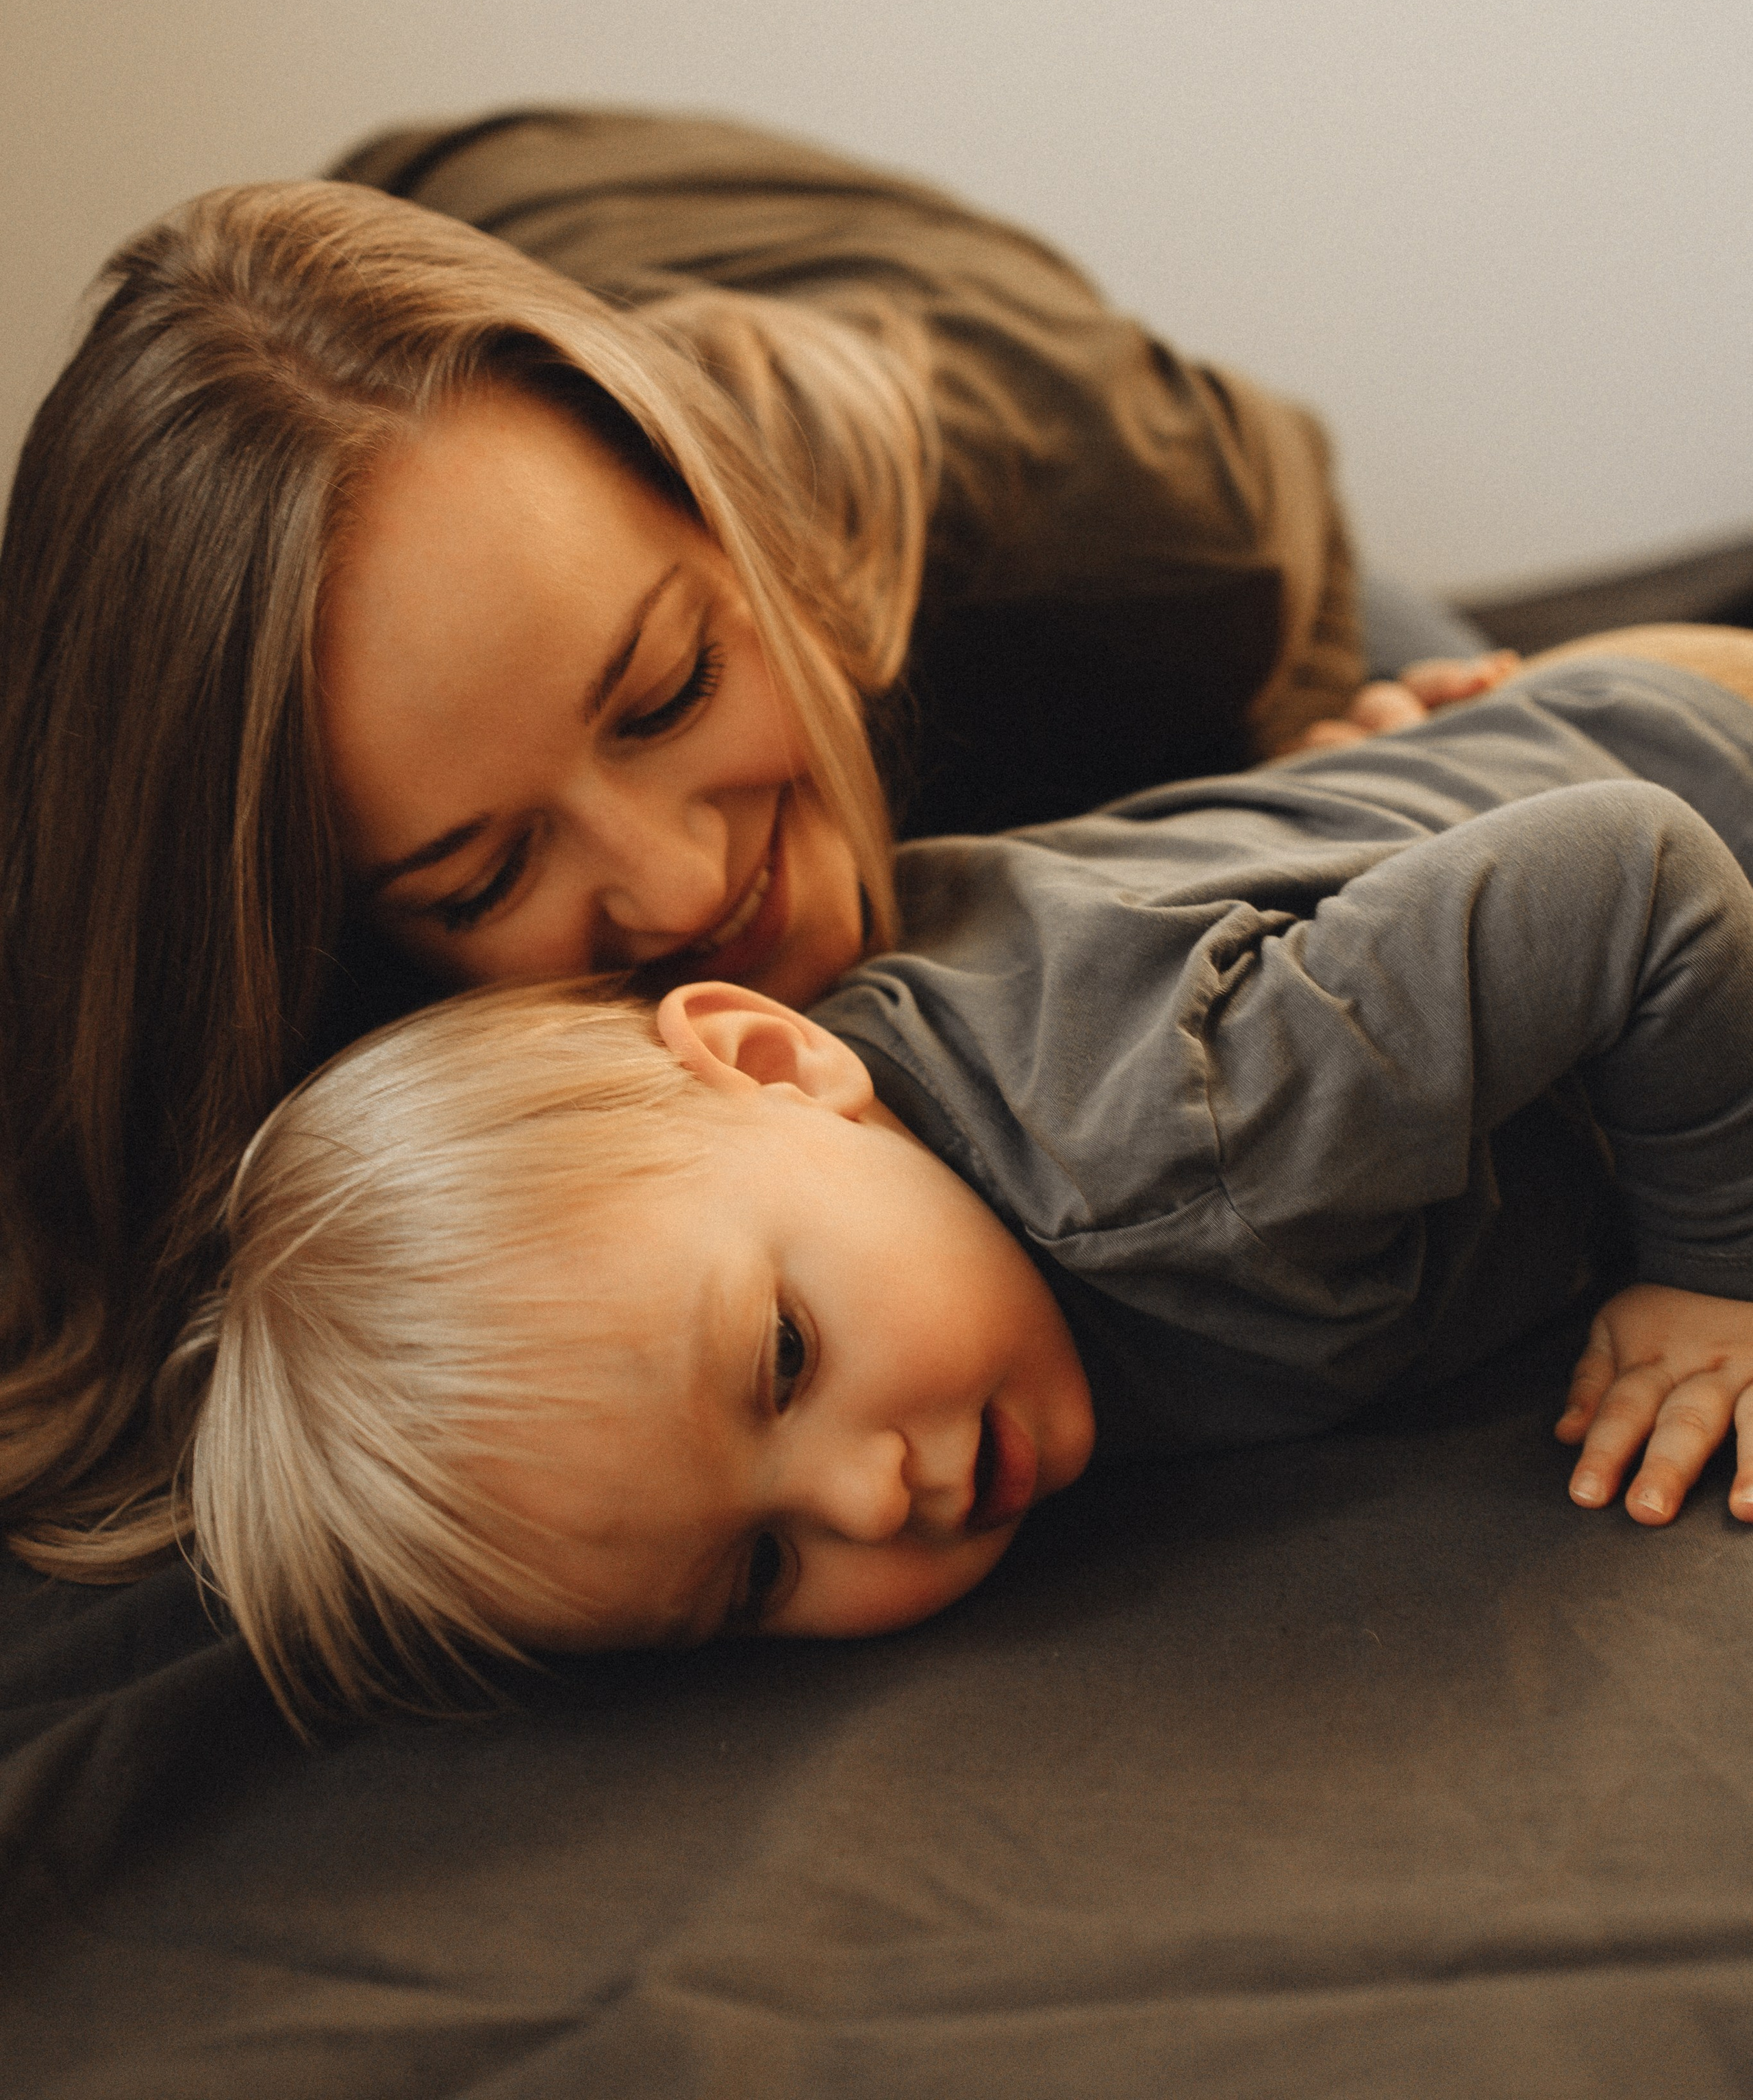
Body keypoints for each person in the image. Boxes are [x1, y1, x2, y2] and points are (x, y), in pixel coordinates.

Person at [0, 140, 1491, 1585]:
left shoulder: (1113, 546)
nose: (677, 886)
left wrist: (1309, 744)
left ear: (739, 534)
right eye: (479, 880)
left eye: (667, 695)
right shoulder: (269, 993)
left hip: (638, 232)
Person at [185, 634, 1753, 1727]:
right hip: (1482, 771)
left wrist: (1706, 1268)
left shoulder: (1175, 1155)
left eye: (783, 1362)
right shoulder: (832, 1136)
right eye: (755, 1573)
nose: (872, 1497)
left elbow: (1639, 875)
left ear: (778, 1063)